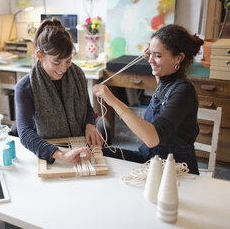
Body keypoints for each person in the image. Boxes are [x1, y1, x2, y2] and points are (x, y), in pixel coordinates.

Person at [93, 24, 204, 174]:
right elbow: (159, 77)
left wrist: (112, 100)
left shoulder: (184, 91)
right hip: (149, 158)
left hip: (174, 169)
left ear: (178, 58)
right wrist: (152, 54)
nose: (151, 60)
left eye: (158, 55)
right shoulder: (164, 81)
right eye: (150, 54)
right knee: (97, 153)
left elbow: (152, 138)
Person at [15, 18, 103, 164]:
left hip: (82, 147)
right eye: (57, 62)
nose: (63, 68)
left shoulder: (78, 73)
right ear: (40, 56)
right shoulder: (25, 87)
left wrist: (89, 124)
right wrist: (62, 155)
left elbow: (87, 108)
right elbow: (25, 133)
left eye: (68, 61)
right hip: (50, 152)